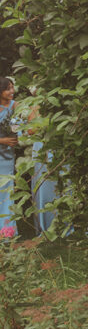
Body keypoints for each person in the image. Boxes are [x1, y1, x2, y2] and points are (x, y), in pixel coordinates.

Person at [0, 77, 18, 233]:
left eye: (12, 87)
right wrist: (3, 140)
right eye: (8, 88)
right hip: (2, 146)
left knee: (7, 189)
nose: (12, 91)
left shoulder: (16, 106)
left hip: (7, 156)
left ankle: (7, 230)